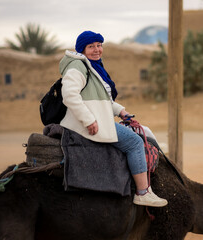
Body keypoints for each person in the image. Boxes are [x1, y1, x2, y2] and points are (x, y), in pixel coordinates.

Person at [59, 30, 167, 207]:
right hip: (86, 123)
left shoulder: (93, 67)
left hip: (98, 117)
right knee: (134, 142)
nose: (97, 50)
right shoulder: (77, 67)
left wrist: (121, 112)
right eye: (91, 46)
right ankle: (142, 192)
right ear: (82, 49)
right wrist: (88, 120)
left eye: (99, 45)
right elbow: (69, 96)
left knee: (144, 131)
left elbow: (101, 101)